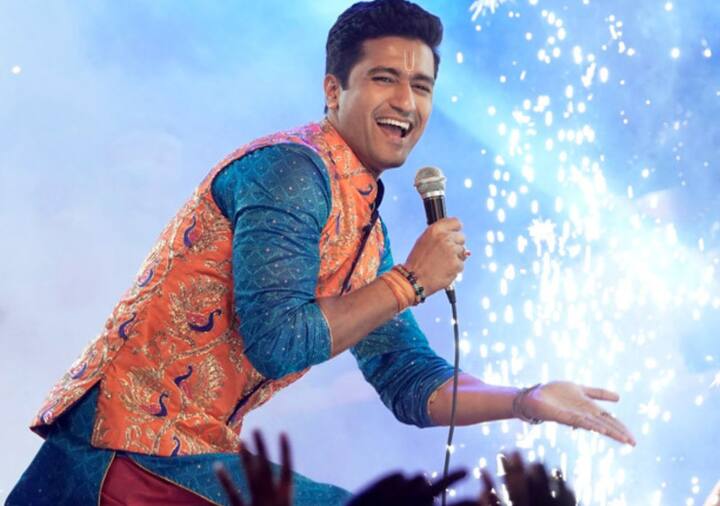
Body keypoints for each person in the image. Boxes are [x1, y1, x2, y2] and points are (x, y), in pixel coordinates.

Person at [8, 1, 635, 504]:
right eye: (384, 79)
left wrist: (526, 400)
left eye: (421, 85)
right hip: (126, 451)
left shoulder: (364, 227)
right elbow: (278, 340)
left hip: (186, 454)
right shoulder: (291, 170)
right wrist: (411, 281)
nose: (406, 102)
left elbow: (408, 379)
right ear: (334, 90)